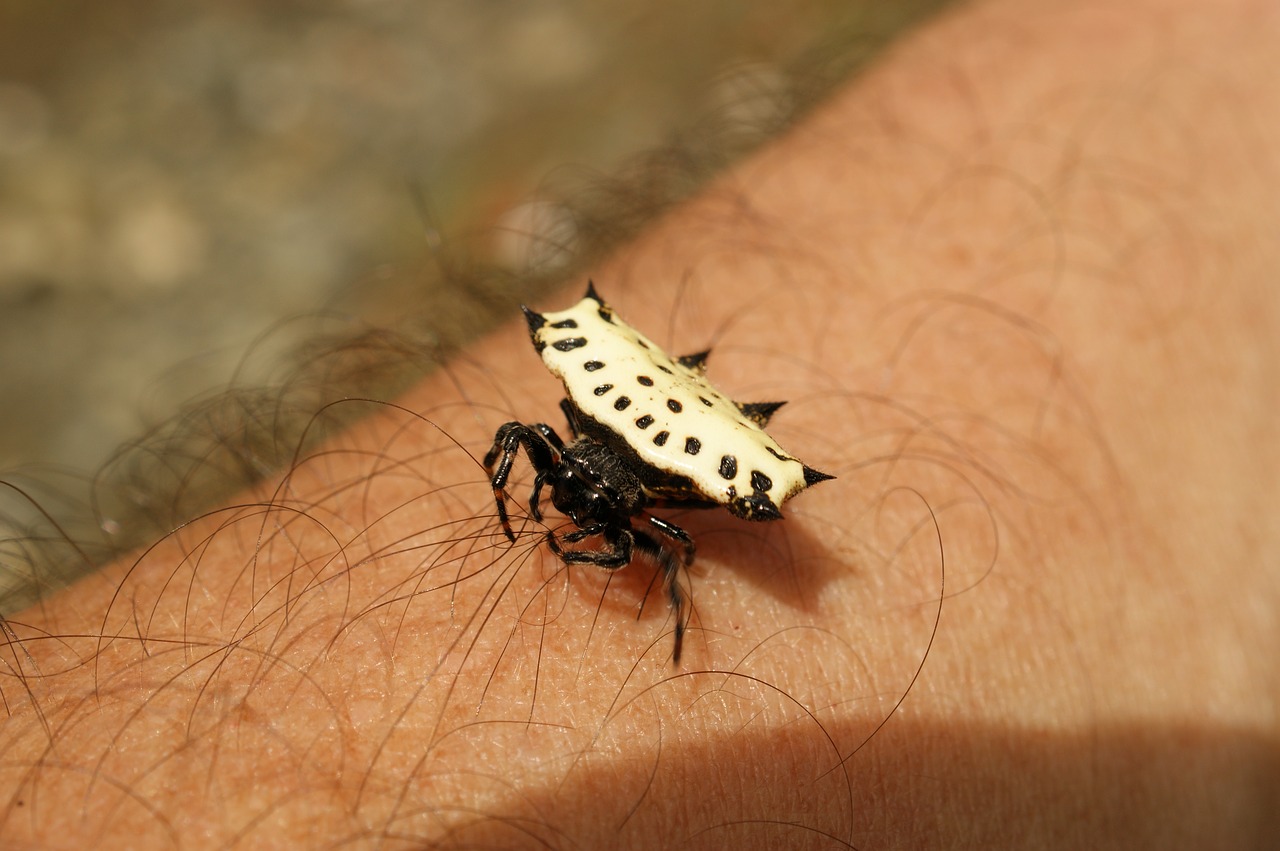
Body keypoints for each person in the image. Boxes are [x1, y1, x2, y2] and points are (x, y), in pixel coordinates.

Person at [2, 0, 1276, 846]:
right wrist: (526, 508)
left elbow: (653, 541)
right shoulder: (572, 469)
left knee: (678, 538)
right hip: (636, 432)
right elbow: (520, 438)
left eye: (577, 511)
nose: (583, 518)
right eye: (571, 505)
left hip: (667, 449)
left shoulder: (646, 520)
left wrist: (598, 544)